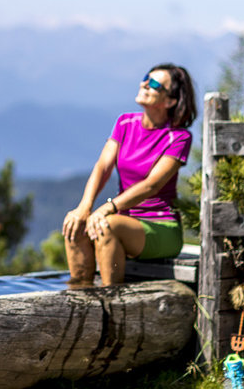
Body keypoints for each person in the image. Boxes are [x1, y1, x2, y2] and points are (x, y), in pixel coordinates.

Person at [62, 64, 196, 286]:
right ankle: (80, 299)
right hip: (124, 219)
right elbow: (103, 166)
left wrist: (108, 207)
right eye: (145, 78)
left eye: (153, 83)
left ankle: (112, 301)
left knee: (107, 226)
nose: (144, 84)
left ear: (170, 101)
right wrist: (84, 208)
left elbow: (151, 185)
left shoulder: (179, 138)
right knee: (74, 225)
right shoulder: (125, 123)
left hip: (160, 226)